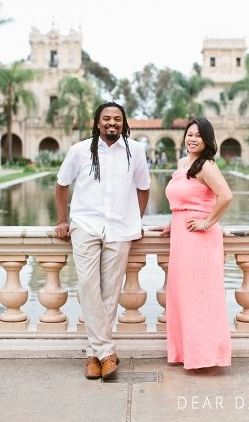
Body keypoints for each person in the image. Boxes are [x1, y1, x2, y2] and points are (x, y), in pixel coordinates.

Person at [54, 102, 150, 381]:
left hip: (120, 228)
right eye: (106, 118)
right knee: (87, 285)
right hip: (85, 224)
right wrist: (62, 221)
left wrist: (136, 220)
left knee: (111, 291)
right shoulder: (79, 150)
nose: (112, 123)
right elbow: (62, 184)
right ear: (97, 122)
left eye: (117, 119)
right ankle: (106, 351)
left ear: (123, 123)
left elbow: (143, 189)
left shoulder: (137, 151)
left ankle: (94, 356)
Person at [150, 118, 233, 370]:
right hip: (182, 237)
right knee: (184, 295)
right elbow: (185, 200)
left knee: (201, 296)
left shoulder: (206, 165)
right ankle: (188, 352)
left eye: (198, 135)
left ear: (207, 140)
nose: (192, 139)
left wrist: (207, 223)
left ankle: (207, 356)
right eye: (189, 134)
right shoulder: (183, 163)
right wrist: (172, 223)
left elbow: (226, 196)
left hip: (200, 239)